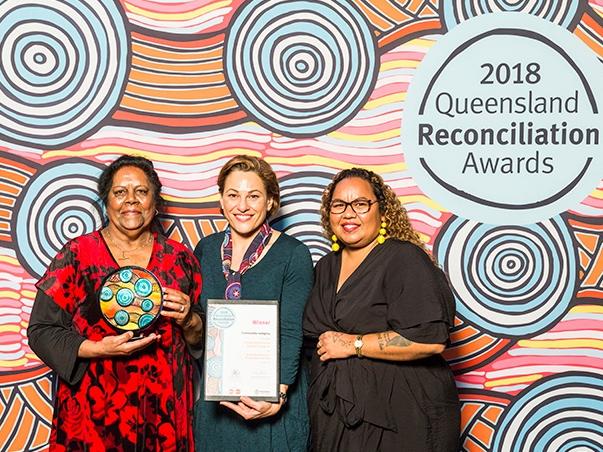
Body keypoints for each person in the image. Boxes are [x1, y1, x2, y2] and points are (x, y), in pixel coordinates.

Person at [27, 155, 203, 451]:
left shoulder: (180, 258)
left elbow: (201, 339)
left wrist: (190, 320)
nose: (131, 201)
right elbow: (41, 330)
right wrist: (96, 348)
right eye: (120, 192)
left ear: (155, 201)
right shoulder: (77, 254)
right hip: (93, 409)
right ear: (106, 201)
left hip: (163, 409)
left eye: (141, 192)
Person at [303, 168, 460, 451]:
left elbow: (431, 339)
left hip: (401, 413)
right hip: (335, 415)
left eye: (360, 204)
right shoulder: (324, 267)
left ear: (383, 212)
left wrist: (354, 344)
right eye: (338, 205)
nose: (348, 213)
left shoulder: (403, 258)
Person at [193, 155, 313, 451]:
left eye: (254, 196)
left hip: (272, 404)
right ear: (221, 200)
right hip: (216, 406)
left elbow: (291, 330)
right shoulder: (205, 250)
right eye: (233, 195)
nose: (242, 206)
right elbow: (198, 327)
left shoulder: (293, 254)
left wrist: (278, 395)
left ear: (271, 201)